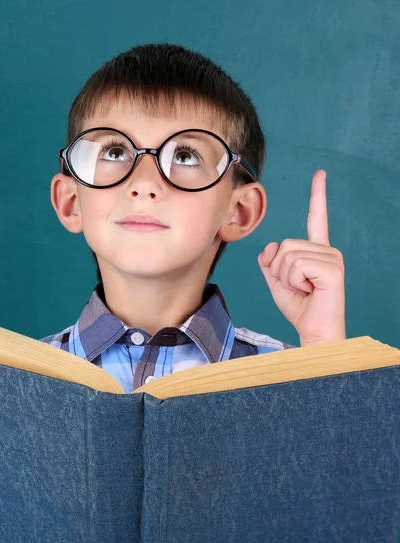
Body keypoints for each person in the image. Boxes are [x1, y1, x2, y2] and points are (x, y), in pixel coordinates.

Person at [40, 43, 346, 394]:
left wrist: (326, 350)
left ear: (238, 211)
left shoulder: (298, 378)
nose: (143, 183)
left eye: (185, 156)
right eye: (115, 151)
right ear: (70, 202)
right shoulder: (16, 384)